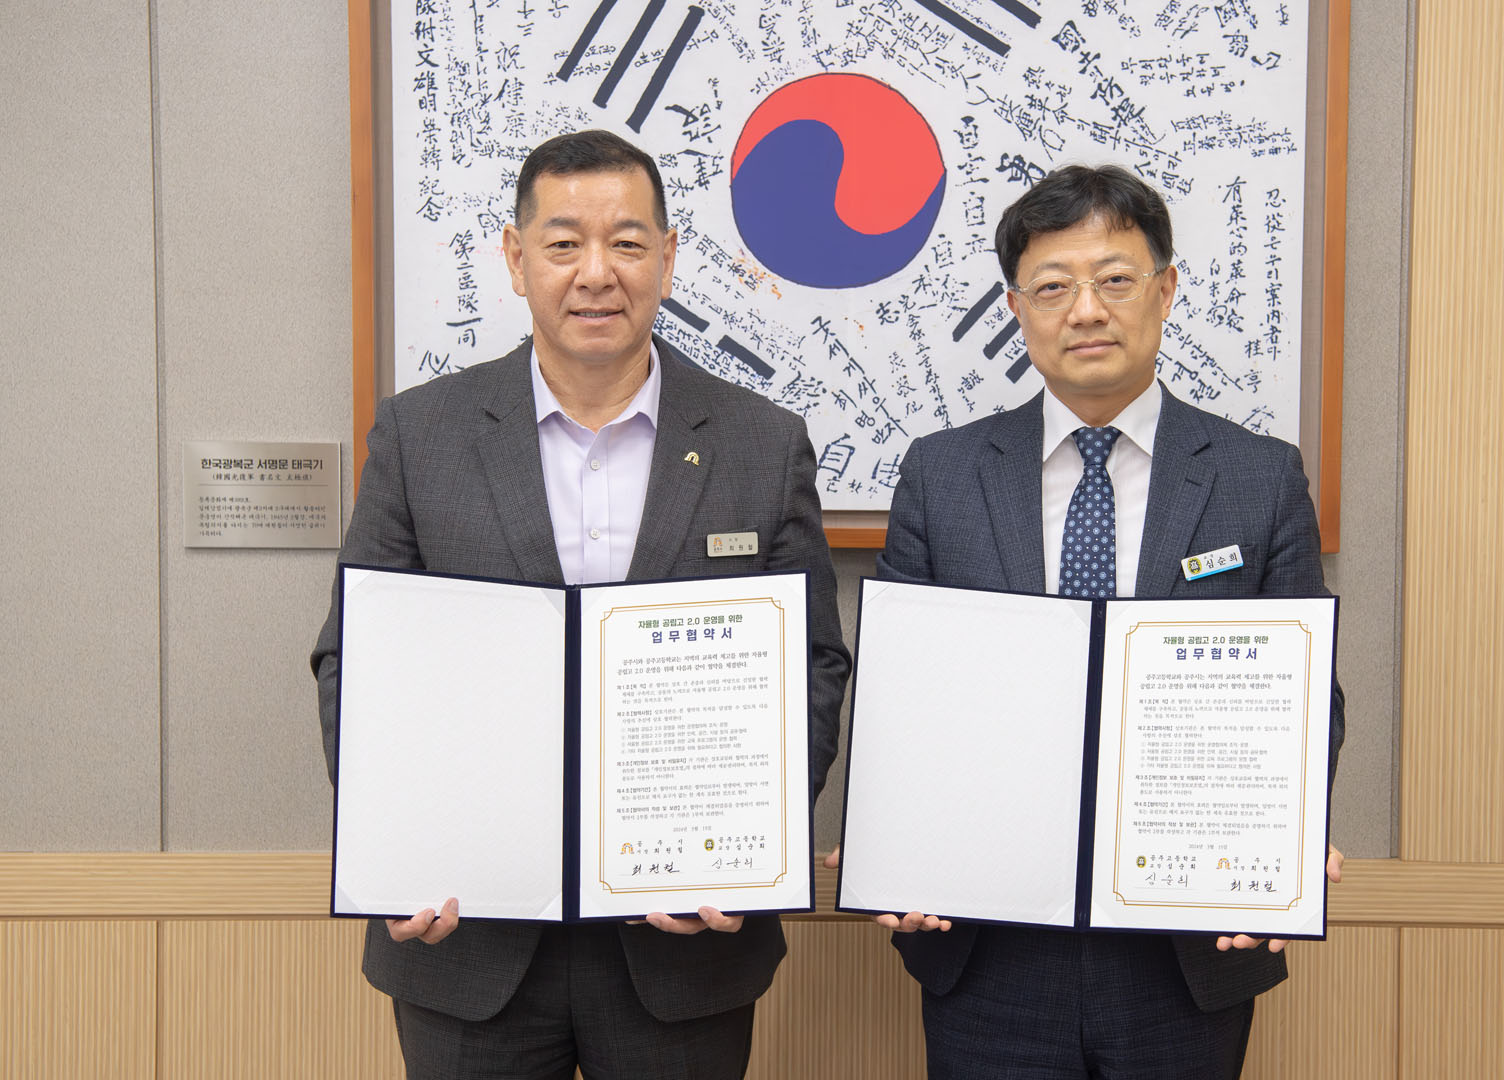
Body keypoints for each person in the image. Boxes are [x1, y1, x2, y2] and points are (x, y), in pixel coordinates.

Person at [310, 128, 849, 1080]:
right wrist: (393, 848)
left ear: (668, 258)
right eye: (564, 243)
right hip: (468, 937)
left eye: (627, 243)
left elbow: (811, 665)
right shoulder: (420, 434)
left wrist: (747, 854)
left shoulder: (761, 443)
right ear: (517, 260)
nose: (597, 273)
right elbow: (355, 660)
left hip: (683, 942)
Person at [860, 164, 1346, 1078]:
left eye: (1115, 279)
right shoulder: (943, 475)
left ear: (1165, 290)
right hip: (986, 941)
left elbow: (1307, 697)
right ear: (1017, 309)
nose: (1086, 310)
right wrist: (894, 847)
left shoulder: (1259, 476)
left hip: (1184, 946)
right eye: (1053, 287)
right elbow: (900, 699)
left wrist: (1282, 839)